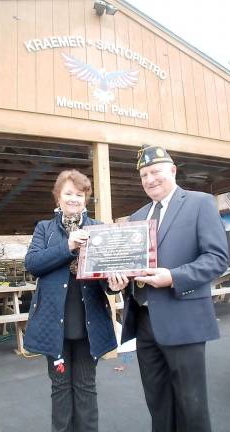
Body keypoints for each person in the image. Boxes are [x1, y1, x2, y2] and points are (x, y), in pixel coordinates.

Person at [108, 145, 229, 432]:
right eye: (144, 175)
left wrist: (173, 277)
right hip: (144, 322)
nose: (150, 179)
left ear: (172, 171)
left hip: (183, 319)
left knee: (192, 405)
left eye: (155, 172)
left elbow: (218, 258)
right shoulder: (137, 218)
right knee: (158, 403)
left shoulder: (199, 203)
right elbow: (127, 264)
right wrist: (116, 281)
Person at [24, 169, 117, 432]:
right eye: (68, 193)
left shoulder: (98, 229)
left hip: (90, 325)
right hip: (53, 326)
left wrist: (114, 285)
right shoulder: (45, 229)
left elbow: (107, 277)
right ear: (58, 198)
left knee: (86, 387)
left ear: (86, 198)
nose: (74, 198)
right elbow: (33, 264)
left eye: (79, 194)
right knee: (60, 387)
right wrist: (68, 247)